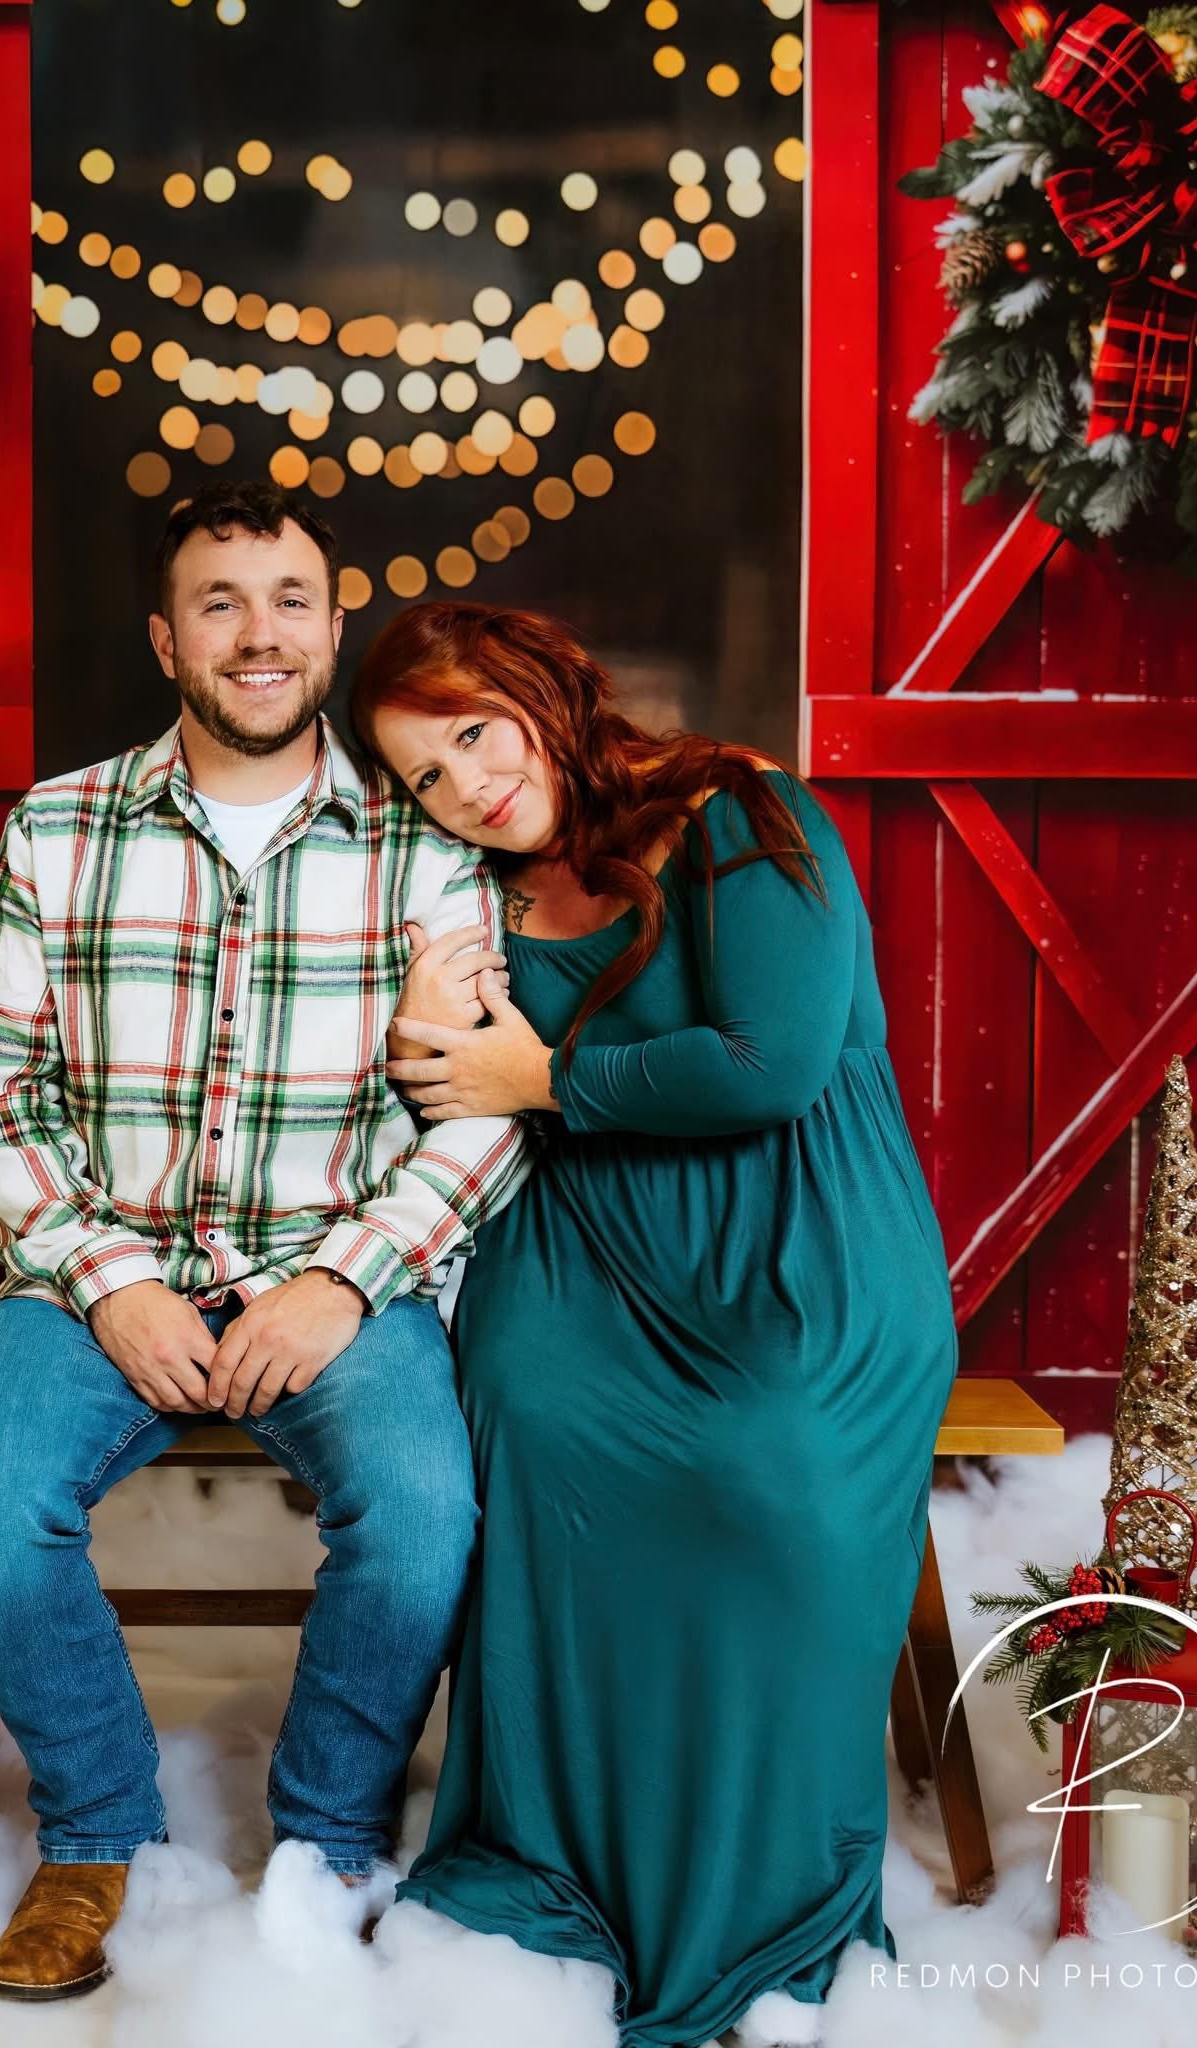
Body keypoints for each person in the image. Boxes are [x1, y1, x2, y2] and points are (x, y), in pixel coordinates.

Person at [0, 486, 534, 2001]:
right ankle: (94, 1829)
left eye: (288, 599)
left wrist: (346, 1279)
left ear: (333, 624)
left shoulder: (426, 841)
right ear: (165, 637)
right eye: (220, 602)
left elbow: (484, 1110)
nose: (259, 633)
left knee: (424, 1517)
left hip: (337, 1272)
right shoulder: (59, 830)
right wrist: (110, 1280)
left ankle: (328, 1843)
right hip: (96, 1265)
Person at [350, 602, 959, 2048]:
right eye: (425, 776)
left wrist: (542, 1077)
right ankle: (562, 1867)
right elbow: (431, 1093)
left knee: (771, 1460)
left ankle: (756, 1899)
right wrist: (422, 1041)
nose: (468, 785)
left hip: (800, 1244)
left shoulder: (739, 812)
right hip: (586, 1251)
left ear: (543, 689)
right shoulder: (462, 906)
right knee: (523, 1405)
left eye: (474, 732)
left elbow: (770, 1062)